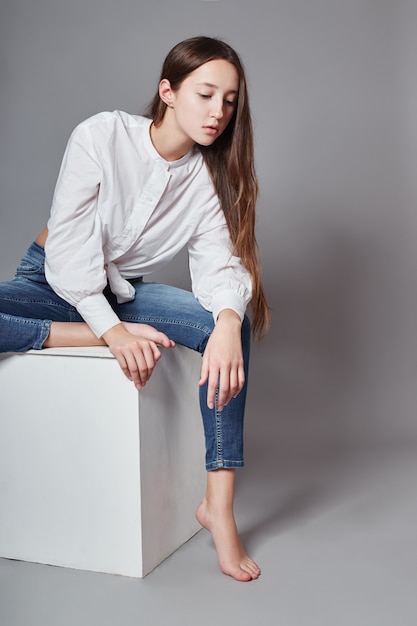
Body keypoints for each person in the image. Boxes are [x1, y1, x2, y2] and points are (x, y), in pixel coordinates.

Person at [0, 36, 269, 581]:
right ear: (167, 92)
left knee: (228, 325)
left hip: (123, 293)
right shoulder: (101, 135)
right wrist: (112, 334)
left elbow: (220, 271)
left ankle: (217, 506)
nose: (218, 112)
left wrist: (228, 319)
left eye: (230, 100)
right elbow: (73, 255)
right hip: (52, 282)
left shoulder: (208, 182)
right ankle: (74, 336)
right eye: (205, 94)